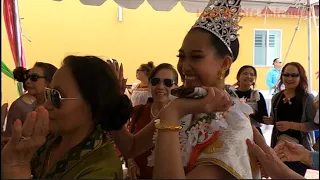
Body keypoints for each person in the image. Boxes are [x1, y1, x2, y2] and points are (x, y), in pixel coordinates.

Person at [1, 55, 130, 179]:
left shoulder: (103, 169)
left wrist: (17, 170)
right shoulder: (48, 140)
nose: (46, 105)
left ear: (91, 106)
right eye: (48, 93)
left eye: (56, 96)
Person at [263, 62, 318, 176]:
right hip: (279, 147)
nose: (289, 78)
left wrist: (291, 125)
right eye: (286, 74)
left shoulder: (307, 98)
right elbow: (276, 119)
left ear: (301, 77)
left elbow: (314, 124)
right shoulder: (276, 97)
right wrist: (271, 121)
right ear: (281, 76)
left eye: (294, 75)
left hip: (299, 149)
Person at [127, 63, 179, 179]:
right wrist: (131, 163)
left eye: (168, 82)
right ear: (150, 85)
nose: (160, 86)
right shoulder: (139, 111)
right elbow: (129, 143)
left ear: (176, 87)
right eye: (156, 81)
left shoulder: (183, 117)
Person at [4, 63, 57, 137]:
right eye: (27, 77)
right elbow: (9, 139)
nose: (27, 82)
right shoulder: (20, 106)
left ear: (49, 82)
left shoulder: (57, 107)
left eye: (34, 77)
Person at [235, 65, 268, 135]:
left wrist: (251, 111)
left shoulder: (257, 95)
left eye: (252, 75)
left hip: (253, 132)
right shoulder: (231, 94)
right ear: (238, 77)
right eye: (245, 74)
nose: (249, 76)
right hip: (235, 132)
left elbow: (264, 119)